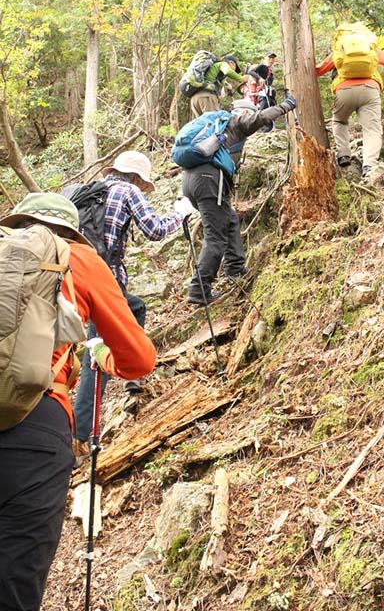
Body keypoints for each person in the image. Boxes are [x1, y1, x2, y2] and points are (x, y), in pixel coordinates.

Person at [0, 192, 156, 611]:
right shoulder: (78, 259)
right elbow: (140, 359)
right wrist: (100, 354)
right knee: (14, 581)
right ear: (72, 230)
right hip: (34, 426)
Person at [72, 150, 194, 458]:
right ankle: (79, 435)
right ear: (137, 177)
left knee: (135, 308)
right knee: (95, 352)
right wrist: (181, 213)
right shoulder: (127, 191)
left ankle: (131, 371)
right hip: (105, 279)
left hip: (75, 278)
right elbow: (154, 230)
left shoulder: (88, 191)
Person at [182, 95, 297, 304]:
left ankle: (235, 269)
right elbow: (261, 117)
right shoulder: (235, 123)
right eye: (249, 113)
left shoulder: (217, 129)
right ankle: (199, 290)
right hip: (209, 181)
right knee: (215, 235)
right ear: (245, 112)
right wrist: (286, 106)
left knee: (230, 220)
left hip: (192, 181)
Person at [316, 24, 384, 179]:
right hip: (370, 90)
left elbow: (318, 70)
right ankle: (369, 166)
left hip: (344, 90)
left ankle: (344, 155)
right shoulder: (371, 48)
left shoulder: (340, 50)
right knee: (372, 129)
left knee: (340, 121)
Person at [190, 54, 242, 118]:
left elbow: (222, 82)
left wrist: (227, 85)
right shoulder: (223, 64)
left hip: (196, 98)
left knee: (202, 125)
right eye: (235, 68)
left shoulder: (214, 69)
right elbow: (227, 71)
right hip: (207, 97)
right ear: (231, 62)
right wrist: (241, 79)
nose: (234, 71)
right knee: (213, 122)